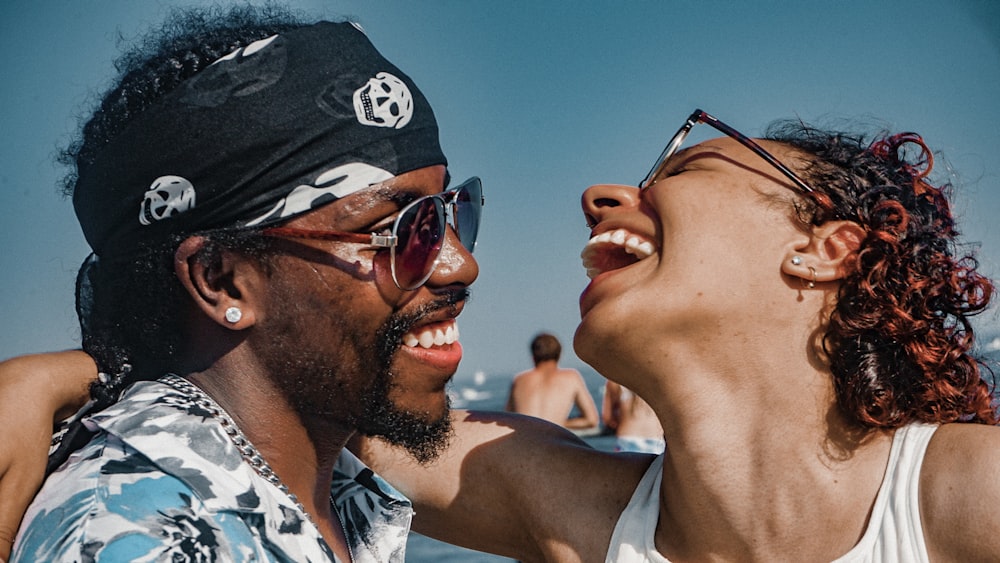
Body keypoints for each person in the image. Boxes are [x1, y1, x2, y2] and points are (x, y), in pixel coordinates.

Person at [4, 108, 1000, 561]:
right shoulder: (559, 500)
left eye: (686, 169)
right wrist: (63, 377)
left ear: (823, 249)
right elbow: (292, 378)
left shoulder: (961, 499)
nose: (603, 194)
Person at [5, 6, 485, 562]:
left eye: (442, 215)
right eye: (397, 230)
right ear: (223, 282)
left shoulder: (324, 485)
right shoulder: (145, 539)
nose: (458, 265)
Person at [504, 332, 599, 430]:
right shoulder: (572, 377)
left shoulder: (519, 379)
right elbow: (591, 420)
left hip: (523, 440)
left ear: (533, 357)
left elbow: (508, 420)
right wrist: (559, 423)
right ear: (559, 355)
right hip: (551, 439)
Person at [602, 381, 664, 454]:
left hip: (627, 437)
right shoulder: (659, 379)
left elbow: (607, 418)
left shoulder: (615, 381)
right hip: (656, 437)